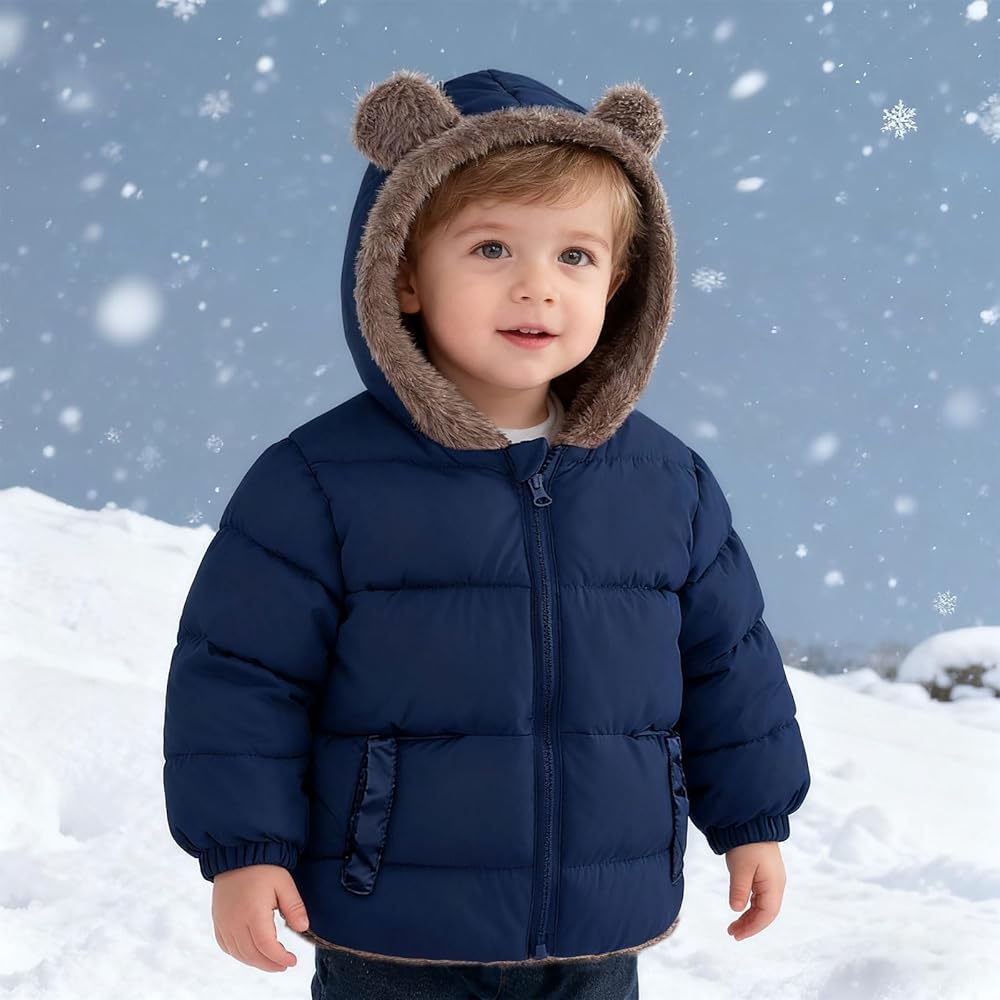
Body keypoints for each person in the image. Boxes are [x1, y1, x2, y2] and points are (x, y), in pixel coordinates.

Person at [162, 67, 811, 1000]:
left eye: (575, 256)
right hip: (392, 926)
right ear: (403, 274)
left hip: (597, 926)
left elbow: (728, 667)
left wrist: (754, 821)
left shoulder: (667, 482)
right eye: (492, 248)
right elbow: (241, 677)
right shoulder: (317, 480)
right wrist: (245, 847)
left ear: (622, 284)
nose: (536, 287)